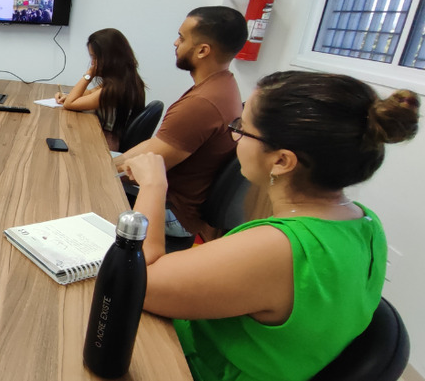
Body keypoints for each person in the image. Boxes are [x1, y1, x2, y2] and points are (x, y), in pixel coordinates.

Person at [120, 70, 419, 381]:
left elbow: (135, 283)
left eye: (242, 128)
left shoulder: (279, 248)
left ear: (281, 161)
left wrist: (154, 185)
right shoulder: (367, 224)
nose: (235, 137)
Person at [114, 6, 247, 243]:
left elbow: (140, 171)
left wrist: (101, 171)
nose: (176, 43)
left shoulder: (202, 104)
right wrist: (110, 163)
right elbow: (156, 144)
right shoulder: (223, 85)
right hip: (180, 200)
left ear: (203, 50)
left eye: (182, 38)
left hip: (172, 213)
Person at [54, 28, 146, 150]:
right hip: (109, 138)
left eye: (95, 58)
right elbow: (89, 94)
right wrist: (67, 96)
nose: (92, 63)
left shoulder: (114, 90)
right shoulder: (125, 80)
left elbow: (70, 104)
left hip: (106, 145)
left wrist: (89, 74)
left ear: (110, 58)